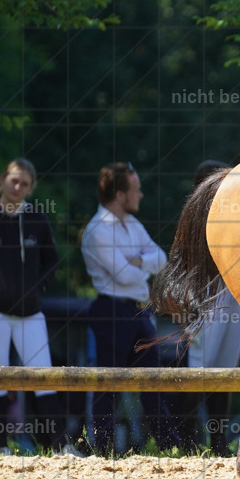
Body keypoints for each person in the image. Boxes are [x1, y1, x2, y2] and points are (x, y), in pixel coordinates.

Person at [0, 158, 80, 456]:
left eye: (25, 184)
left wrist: (38, 286)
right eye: (14, 180)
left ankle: (62, 447)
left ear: (31, 188)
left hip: (30, 314)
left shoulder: (38, 219)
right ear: (3, 179)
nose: (18, 187)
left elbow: (52, 259)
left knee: (44, 376)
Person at [81, 162, 181, 455]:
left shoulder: (132, 225)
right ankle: (105, 447)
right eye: (136, 190)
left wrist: (135, 259)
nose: (141, 195)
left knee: (153, 382)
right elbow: (123, 276)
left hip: (139, 312)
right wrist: (141, 262)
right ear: (121, 195)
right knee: (107, 383)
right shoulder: (97, 230)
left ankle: (168, 445)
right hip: (111, 310)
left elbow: (161, 259)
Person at [185, 160, 240, 456]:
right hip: (207, 297)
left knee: (224, 373)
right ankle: (185, 439)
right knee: (200, 370)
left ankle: (218, 442)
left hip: (234, 293)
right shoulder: (195, 221)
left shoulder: (234, 216)